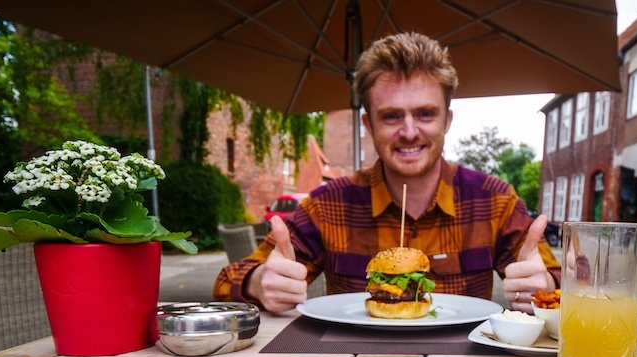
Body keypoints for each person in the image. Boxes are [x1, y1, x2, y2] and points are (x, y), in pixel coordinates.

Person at [213, 31, 559, 313]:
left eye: (425, 114)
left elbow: (569, 287)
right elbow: (227, 280)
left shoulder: (494, 199)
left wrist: (545, 288)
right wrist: (260, 282)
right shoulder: (327, 204)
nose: (409, 132)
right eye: (391, 116)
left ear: (447, 120)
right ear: (369, 124)